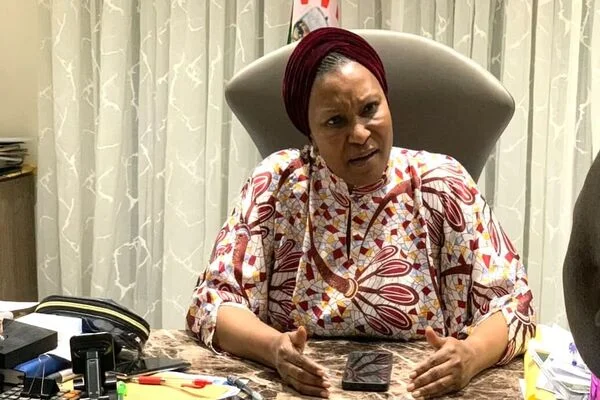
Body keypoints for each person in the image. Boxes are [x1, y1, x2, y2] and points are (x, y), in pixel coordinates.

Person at [186, 27, 535, 399]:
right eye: (335, 122)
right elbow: (212, 302)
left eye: (370, 109)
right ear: (309, 132)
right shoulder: (277, 184)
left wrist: (470, 355)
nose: (359, 134)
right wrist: (273, 348)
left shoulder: (443, 183)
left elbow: (515, 304)